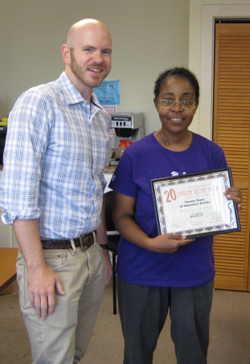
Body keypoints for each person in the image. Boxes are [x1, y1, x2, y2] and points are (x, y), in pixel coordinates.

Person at [109, 67, 242, 364]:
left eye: (187, 100)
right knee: (137, 353)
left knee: (193, 353)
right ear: (156, 102)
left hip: (193, 271)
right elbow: (121, 217)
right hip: (142, 269)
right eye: (168, 100)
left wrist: (229, 206)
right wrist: (150, 243)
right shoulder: (135, 155)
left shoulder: (212, 153)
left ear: (196, 105)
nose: (177, 108)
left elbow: (216, 208)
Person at [0, 18, 113, 364]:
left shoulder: (101, 117)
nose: (98, 59)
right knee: (55, 360)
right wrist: (36, 268)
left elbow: (93, 188)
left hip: (90, 254)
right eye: (89, 49)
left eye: (106, 51)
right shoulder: (39, 103)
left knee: (75, 354)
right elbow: (19, 196)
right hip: (51, 259)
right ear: (67, 54)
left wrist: (103, 251)